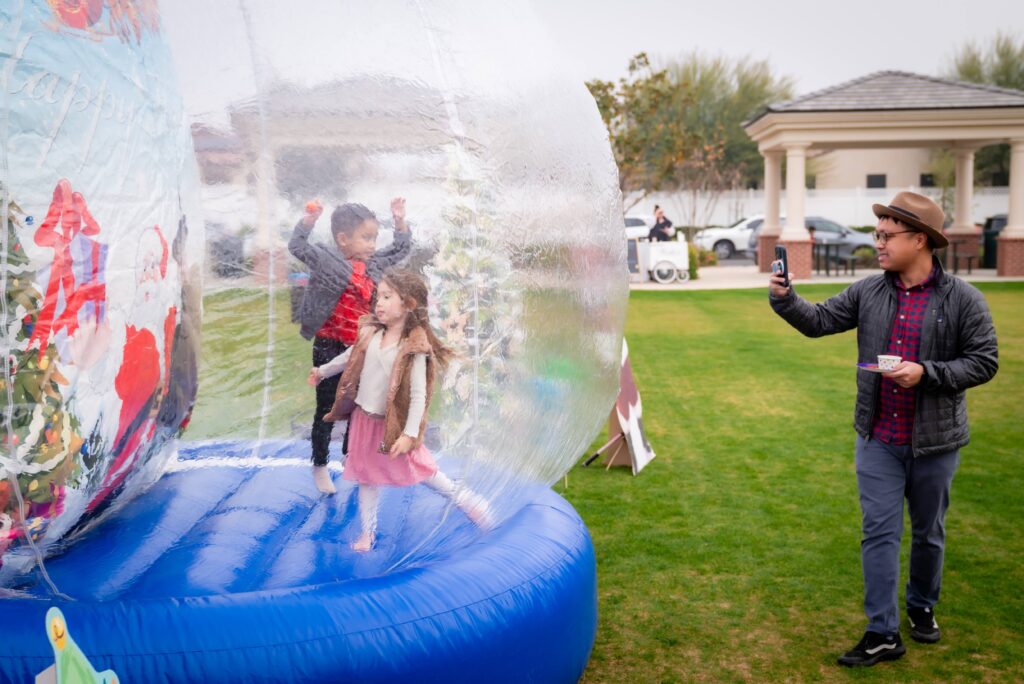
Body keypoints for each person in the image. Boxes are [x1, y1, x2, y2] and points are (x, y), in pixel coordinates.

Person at [767, 191, 998, 668]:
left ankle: (921, 605)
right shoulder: (869, 291)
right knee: (879, 533)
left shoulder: (963, 300)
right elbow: (819, 321)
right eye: (877, 234)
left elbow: (983, 361)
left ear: (920, 240)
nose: (878, 243)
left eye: (887, 236)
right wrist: (786, 300)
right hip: (878, 438)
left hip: (935, 442)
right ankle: (881, 633)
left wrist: (925, 373)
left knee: (929, 532)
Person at [312, 270, 493, 552]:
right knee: (366, 477)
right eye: (377, 297)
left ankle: (467, 500)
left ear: (407, 304)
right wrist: (322, 371)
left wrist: (409, 434)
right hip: (364, 421)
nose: (378, 304)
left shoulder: (413, 348)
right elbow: (349, 357)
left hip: (392, 425)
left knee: (426, 472)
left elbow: (419, 395)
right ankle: (367, 533)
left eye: (387, 297)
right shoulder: (371, 334)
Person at [289, 198, 412, 494]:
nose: (372, 244)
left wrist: (399, 222)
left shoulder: (375, 264)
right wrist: (309, 219)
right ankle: (320, 464)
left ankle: (352, 458)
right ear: (343, 239)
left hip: (363, 349)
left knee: (360, 407)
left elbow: (400, 248)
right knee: (328, 408)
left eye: (374, 238)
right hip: (330, 348)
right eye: (366, 238)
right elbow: (297, 246)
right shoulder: (326, 260)